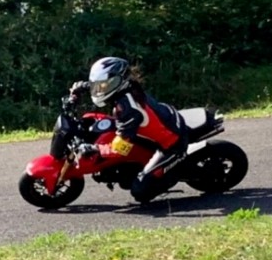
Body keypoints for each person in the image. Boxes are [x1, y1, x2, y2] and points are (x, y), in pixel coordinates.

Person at [68, 56, 188, 204]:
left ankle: (169, 176)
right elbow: (104, 85)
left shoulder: (128, 110)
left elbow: (120, 149)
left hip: (172, 142)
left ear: (118, 81)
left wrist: (96, 148)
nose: (100, 88)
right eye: (98, 84)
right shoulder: (126, 87)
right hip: (163, 120)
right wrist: (82, 87)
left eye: (103, 84)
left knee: (139, 191)